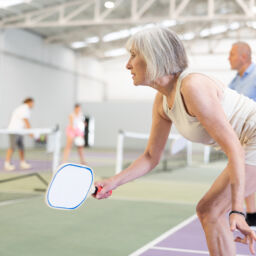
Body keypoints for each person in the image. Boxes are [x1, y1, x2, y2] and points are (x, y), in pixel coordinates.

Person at [93, 27, 256, 255]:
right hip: (247, 145)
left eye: (133, 55)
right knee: (209, 211)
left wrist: (237, 210)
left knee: (211, 211)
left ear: (154, 56)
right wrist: (114, 181)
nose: (127, 65)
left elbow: (234, 149)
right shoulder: (162, 102)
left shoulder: (193, 87)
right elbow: (151, 156)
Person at [229, 42, 256, 227]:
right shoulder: (234, 82)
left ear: (243, 57)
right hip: (239, 138)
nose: (228, 58)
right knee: (243, 175)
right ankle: (252, 213)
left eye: (231, 54)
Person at [4, 98, 34, 171]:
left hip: (20, 131)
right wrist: (30, 132)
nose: (33, 105)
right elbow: (26, 120)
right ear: (29, 102)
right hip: (14, 130)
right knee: (12, 147)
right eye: (32, 103)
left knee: (21, 147)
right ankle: (7, 164)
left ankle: (22, 163)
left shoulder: (23, 109)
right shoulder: (24, 109)